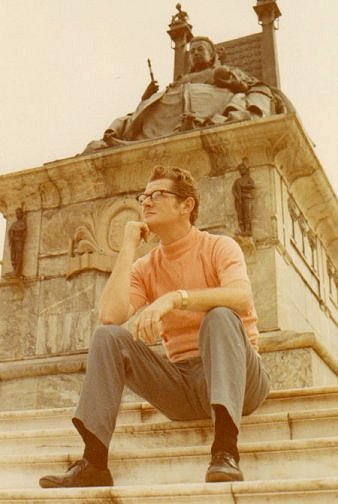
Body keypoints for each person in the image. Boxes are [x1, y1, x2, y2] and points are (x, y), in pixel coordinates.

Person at [39, 165, 270, 488]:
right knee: (108, 337)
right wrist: (128, 248)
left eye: (158, 195)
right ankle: (94, 461)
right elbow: (110, 315)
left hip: (242, 381)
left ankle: (225, 452)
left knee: (219, 315)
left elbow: (242, 297)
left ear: (186, 205)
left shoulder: (219, 247)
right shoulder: (146, 266)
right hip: (183, 388)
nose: (146, 202)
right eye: (144, 196)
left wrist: (176, 298)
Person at [88, 36, 286, 147]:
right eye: (192, 51)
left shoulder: (222, 71)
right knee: (128, 117)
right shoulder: (181, 80)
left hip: (211, 106)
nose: (195, 53)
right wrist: (146, 97)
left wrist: (234, 82)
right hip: (170, 113)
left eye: (200, 49)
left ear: (213, 54)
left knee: (249, 98)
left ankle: (207, 124)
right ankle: (117, 138)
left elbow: (253, 86)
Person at [8, 207, 26, 276]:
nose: (17, 215)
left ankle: (17, 271)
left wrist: (15, 230)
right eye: (16, 213)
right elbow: (10, 231)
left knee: (18, 255)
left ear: (21, 214)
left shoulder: (23, 223)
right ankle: (14, 269)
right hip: (14, 241)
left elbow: (22, 228)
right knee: (13, 255)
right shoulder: (14, 223)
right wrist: (12, 234)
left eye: (19, 213)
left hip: (19, 240)